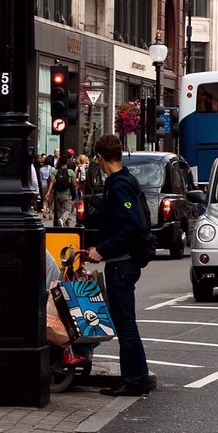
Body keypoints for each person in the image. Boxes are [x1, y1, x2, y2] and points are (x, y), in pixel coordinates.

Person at [86, 135, 153, 396]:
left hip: (121, 264)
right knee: (123, 322)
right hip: (124, 263)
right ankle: (136, 377)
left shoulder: (119, 185)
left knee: (125, 324)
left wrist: (101, 250)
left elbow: (131, 225)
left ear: (100, 158)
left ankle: (135, 381)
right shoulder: (125, 180)